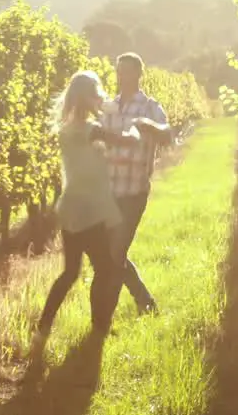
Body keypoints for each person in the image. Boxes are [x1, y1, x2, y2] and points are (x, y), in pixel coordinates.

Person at [27, 70, 143, 367]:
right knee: (105, 268)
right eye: (96, 94)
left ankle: (43, 329)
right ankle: (99, 328)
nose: (100, 98)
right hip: (88, 210)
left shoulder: (71, 128)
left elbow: (94, 161)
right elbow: (126, 141)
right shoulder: (89, 129)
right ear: (85, 97)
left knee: (71, 272)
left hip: (72, 208)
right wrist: (135, 128)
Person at [101, 52, 173, 313]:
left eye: (127, 72)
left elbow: (167, 134)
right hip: (109, 193)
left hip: (134, 192)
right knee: (112, 253)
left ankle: (108, 314)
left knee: (115, 252)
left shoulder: (150, 107)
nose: (122, 77)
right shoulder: (109, 106)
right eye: (119, 72)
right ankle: (145, 302)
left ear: (139, 75)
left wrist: (150, 126)